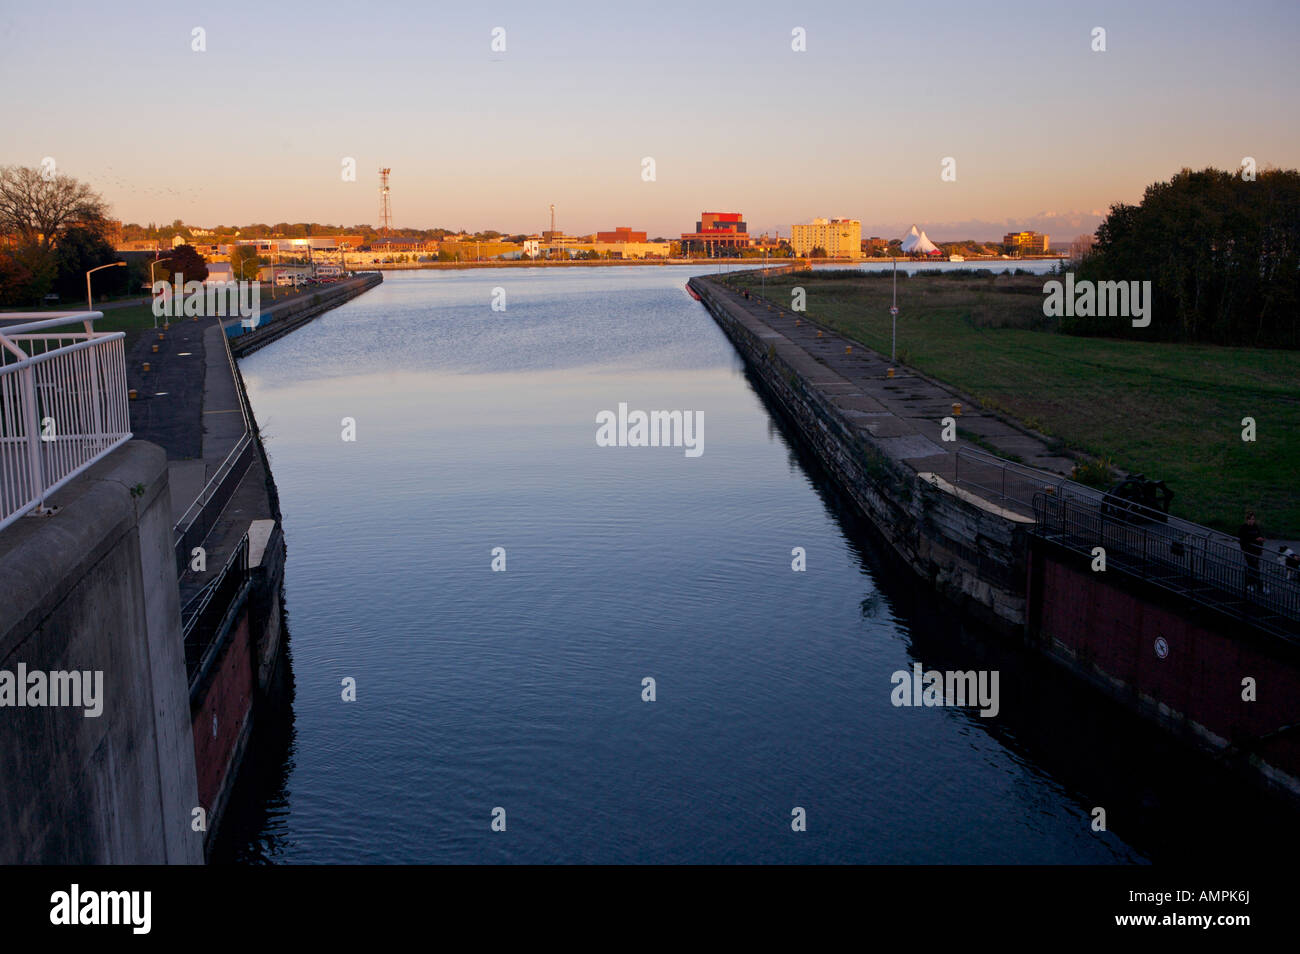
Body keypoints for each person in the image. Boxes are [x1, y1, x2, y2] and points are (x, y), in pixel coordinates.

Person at [1238, 510, 1266, 594]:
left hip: (1256, 551)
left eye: (1253, 519)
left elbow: (1260, 535)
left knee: (1252, 568)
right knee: (1254, 568)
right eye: (1250, 519)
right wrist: (1254, 539)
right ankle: (1258, 586)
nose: (1252, 521)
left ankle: (1250, 584)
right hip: (1248, 550)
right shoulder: (1243, 527)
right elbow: (1243, 538)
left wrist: (1261, 540)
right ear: (1247, 520)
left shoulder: (1256, 527)